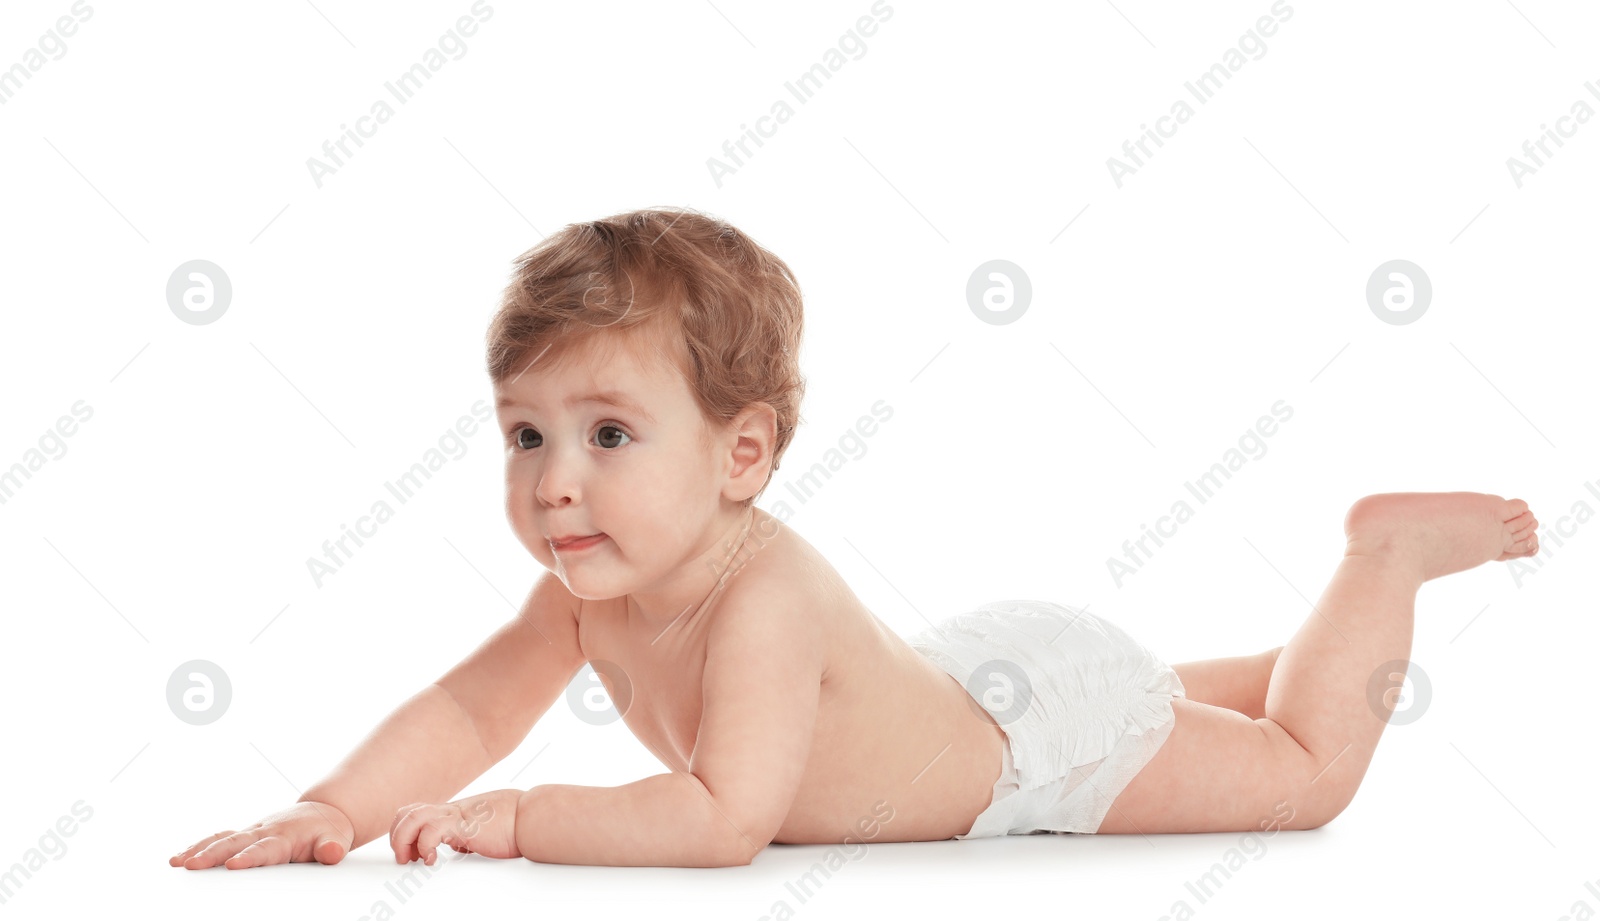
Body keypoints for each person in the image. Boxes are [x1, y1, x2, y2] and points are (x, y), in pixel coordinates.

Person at [169, 208, 1541, 869]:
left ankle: (1382, 560)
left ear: (742, 454)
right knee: (1178, 696)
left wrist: (530, 821)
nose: (553, 487)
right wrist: (333, 808)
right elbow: (470, 705)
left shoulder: (760, 600)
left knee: (1299, 776)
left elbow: (725, 821)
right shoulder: (589, 596)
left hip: (1036, 752)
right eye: (525, 437)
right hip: (965, 678)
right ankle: (1262, 658)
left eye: (608, 435)